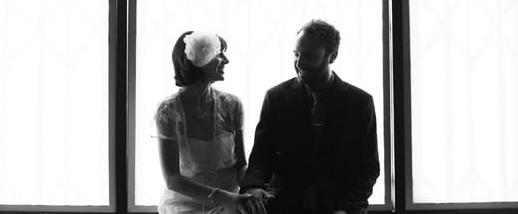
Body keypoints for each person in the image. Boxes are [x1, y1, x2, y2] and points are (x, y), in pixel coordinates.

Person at [240, 20, 380, 214]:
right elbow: (261, 155)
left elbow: (368, 166)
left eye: (310, 56)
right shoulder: (276, 97)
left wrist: (348, 209)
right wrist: (252, 187)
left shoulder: (359, 102)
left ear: (333, 56)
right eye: (296, 54)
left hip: (338, 208)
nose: (299, 63)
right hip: (283, 206)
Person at [154, 31, 265, 214]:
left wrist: (253, 189)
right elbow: (172, 179)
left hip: (230, 204)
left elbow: (240, 165)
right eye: (219, 54)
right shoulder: (168, 111)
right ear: (197, 59)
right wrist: (222, 196)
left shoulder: (232, 105)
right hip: (185, 205)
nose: (226, 60)